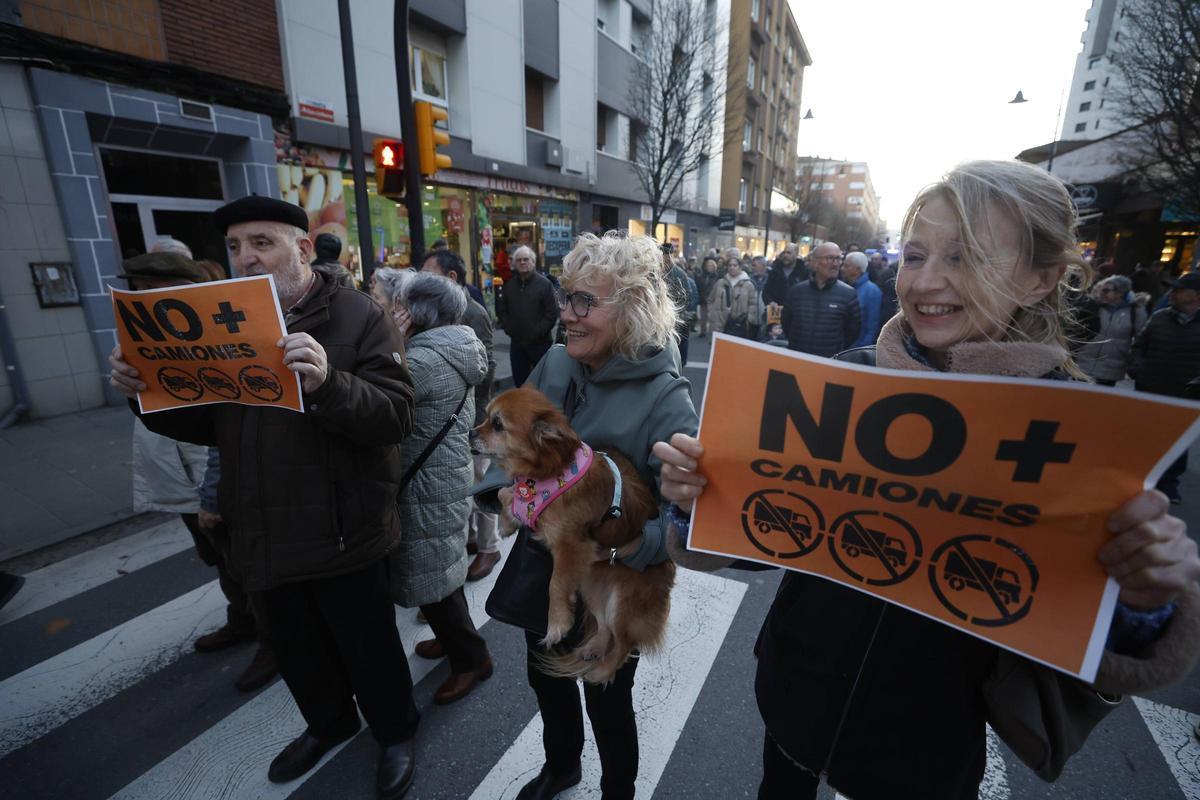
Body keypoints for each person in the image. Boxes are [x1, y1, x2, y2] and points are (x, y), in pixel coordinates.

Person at [654, 160, 1200, 800]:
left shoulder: (1086, 436)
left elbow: (1087, 628)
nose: (926, 281)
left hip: (926, 747)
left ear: (1042, 278)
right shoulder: (849, 379)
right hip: (791, 698)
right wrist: (700, 498)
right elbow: (771, 535)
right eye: (915, 256)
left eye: (966, 258)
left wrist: (1142, 597)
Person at [108, 196, 421, 799]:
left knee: (369, 648)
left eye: (261, 243)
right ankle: (328, 724)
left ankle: (395, 731)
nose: (245, 257)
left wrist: (329, 383)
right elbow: (207, 422)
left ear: (301, 249)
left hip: (343, 530)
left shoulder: (358, 316)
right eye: (234, 247)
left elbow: (395, 418)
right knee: (297, 650)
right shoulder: (221, 320)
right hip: (261, 531)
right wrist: (143, 390)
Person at [474, 231, 698, 800]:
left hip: (612, 583)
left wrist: (629, 548)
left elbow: (685, 517)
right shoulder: (555, 362)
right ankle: (561, 766)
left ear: (632, 309)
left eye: (584, 301)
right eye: (565, 295)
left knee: (608, 697)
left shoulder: (666, 396)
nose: (567, 314)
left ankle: (618, 789)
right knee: (543, 672)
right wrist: (502, 491)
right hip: (545, 565)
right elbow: (508, 441)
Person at [118, 250, 279, 692]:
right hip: (177, 473)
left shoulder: (210, 333)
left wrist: (212, 496)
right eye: (138, 290)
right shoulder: (146, 332)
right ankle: (243, 621)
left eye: (151, 290)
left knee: (244, 564)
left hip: (210, 477)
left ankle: (272, 642)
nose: (143, 298)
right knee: (220, 559)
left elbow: (226, 427)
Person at [382, 271, 493, 704]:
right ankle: (454, 643)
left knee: (432, 574)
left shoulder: (422, 360)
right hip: (440, 476)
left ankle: (472, 659)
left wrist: (392, 341)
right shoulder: (453, 344)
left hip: (427, 483)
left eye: (398, 303)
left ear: (417, 312)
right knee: (439, 570)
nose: (392, 310)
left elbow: (382, 397)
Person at [419, 249, 501, 580]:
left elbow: (487, 366)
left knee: (481, 481)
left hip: (473, 414)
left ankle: (489, 547)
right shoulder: (440, 309)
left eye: (429, 274)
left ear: (451, 277)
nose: (422, 280)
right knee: (464, 481)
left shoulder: (473, 311)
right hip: (455, 415)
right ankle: (473, 538)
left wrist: (471, 409)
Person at [1131, 271, 1200, 504]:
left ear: (1196, 295)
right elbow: (1139, 345)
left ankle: (1169, 483)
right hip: (1150, 388)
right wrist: (1137, 367)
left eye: (1179, 290)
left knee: (1177, 439)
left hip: (1186, 394)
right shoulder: (1159, 317)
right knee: (1144, 436)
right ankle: (1139, 480)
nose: (1172, 293)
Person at [781, 242, 861, 356]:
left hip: (828, 361)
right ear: (815, 262)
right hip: (797, 358)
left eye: (838, 259)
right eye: (829, 258)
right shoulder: (797, 292)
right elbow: (786, 323)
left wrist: (835, 349)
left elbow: (853, 332)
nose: (835, 264)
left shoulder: (848, 294)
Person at [496, 245, 558, 387]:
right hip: (517, 345)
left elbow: (552, 312)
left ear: (533, 261)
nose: (522, 262)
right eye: (519, 260)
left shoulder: (545, 284)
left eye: (526, 259)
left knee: (543, 384)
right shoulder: (509, 286)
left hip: (540, 344)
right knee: (521, 384)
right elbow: (502, 310)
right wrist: (509, 329)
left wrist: (538, 332)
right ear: (514, 264)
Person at [1075, 275, 1148, 386]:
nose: (1101, 293)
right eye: (1101, 289)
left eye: (1106, 290)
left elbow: (1141, 339)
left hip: (1111, 369)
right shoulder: (1092, 306)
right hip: (1083, 364)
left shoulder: (1135, 312)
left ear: (1120, 293)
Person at [707, 252, 756, 339]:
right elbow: (710, 300)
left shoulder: (748, 285)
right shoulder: (720, 283)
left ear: (740, 267)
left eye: (735, 265)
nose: (732, 267)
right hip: (720, 323)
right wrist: (712, 314)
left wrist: (749, 319)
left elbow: (752, 304)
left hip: (739, 325)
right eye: (729, 265)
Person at [841, 251, 883, 348]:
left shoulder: (872, 291)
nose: (842, 269)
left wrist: (861, 349)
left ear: (857, 270)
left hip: (857, 348)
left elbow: (872, 325)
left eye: (846, 266)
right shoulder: (842, 287)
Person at [662, 246, 694, 365]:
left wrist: (678, 309)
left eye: (667, 256)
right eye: (663, 256)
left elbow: (687, 294)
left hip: (677, 314)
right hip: (663, 313)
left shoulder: (679, 273)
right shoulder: (657, 271)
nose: (664, 259)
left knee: (679, 343)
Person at [763, 242, 808, 307]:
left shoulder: (803, 272)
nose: (785, 255)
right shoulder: (775, 271)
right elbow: (766, 292)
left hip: (795, 311)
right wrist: (770, 302)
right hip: (777, 310)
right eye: (784, 252)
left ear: (796, 254)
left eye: (789, 253)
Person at [695, 256, 721, 337]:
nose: (709, 267)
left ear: (714, 267)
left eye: (711, 266)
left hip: (713, 299)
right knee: (703, 317)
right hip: (703, 299)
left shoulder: (717, 276)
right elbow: (699, 287)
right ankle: (703, 331)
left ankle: (712, 332)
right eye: (708, 265)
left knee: (712, 317)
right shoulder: (702, 275)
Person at [747, 256, 770, 341]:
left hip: (766, 321)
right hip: (751, 320)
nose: (752, 268)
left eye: (754, 265)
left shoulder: (772, 280)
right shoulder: (749, 280)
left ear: (763, 266)